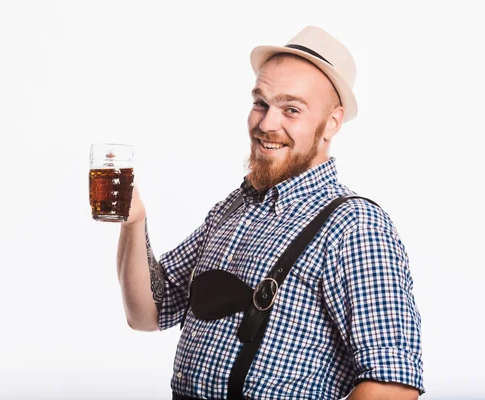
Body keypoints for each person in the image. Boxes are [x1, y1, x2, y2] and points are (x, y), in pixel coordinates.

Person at [116, 26, 424, 399]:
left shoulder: (355, 226)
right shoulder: (233, 208)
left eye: (291, 109)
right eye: (261, 103)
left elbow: (392, 384)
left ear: (332, 123)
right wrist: (134, 221)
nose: (265, 124)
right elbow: (148, 312)